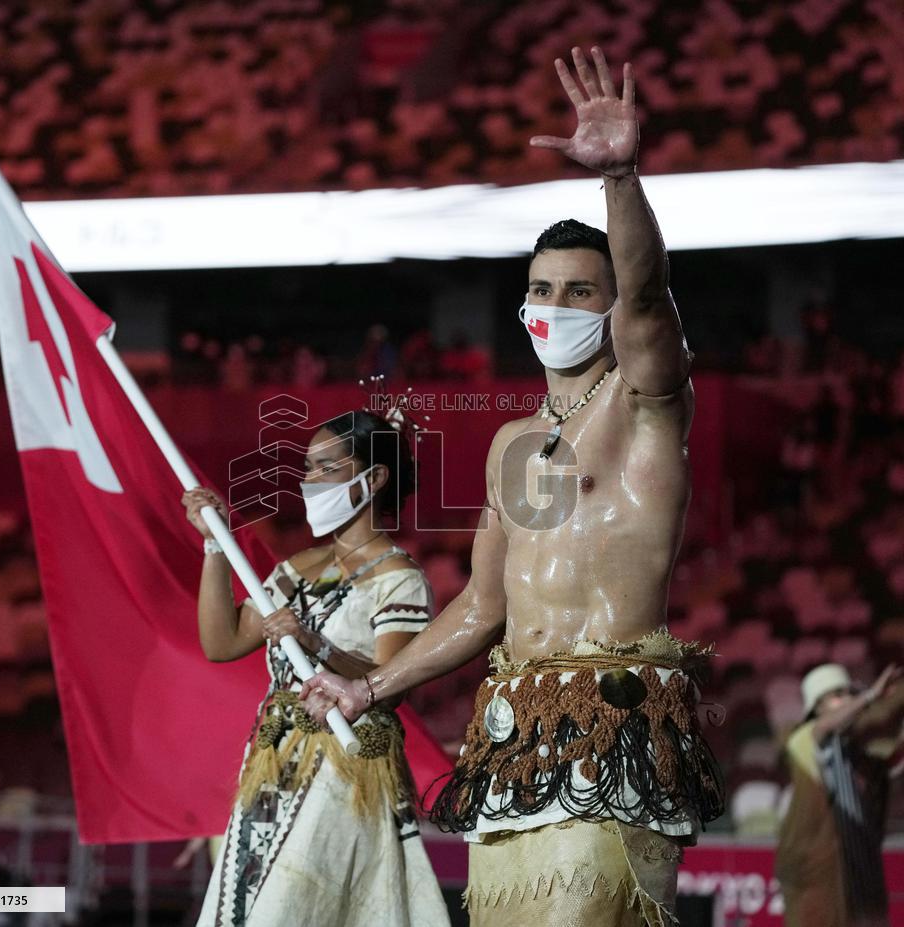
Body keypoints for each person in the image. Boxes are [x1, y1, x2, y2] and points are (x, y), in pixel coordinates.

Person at [300, 46, 724, 927]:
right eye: (540, 290)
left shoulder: (647, 402)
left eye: (579, 292)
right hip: (513, 739)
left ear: (609, 308)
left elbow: (650, 298)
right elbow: (481, 606)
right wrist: (370, 689)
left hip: (615, 729)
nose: (555, 306)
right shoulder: (511, 444)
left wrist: (622, 180)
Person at [181, 409, 449, 927]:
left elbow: (390, 684)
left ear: (372, 479)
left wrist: (312, 643)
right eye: (307, 468)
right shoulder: (299, 567)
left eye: (326, 468)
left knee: (295, 909)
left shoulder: (401, 580)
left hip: (344, 765)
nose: (309, 482)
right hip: (273, 758)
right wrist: (215, 543)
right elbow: (222, 642)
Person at [776, 662, 904, 927]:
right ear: (817, 707)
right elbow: (824, 729)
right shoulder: (803, 739)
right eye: (837, 695)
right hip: (822, 877)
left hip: (861, 872)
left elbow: (891, 762)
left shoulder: (855, 749)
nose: (847, 699)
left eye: (849, 693)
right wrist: (870, 696)